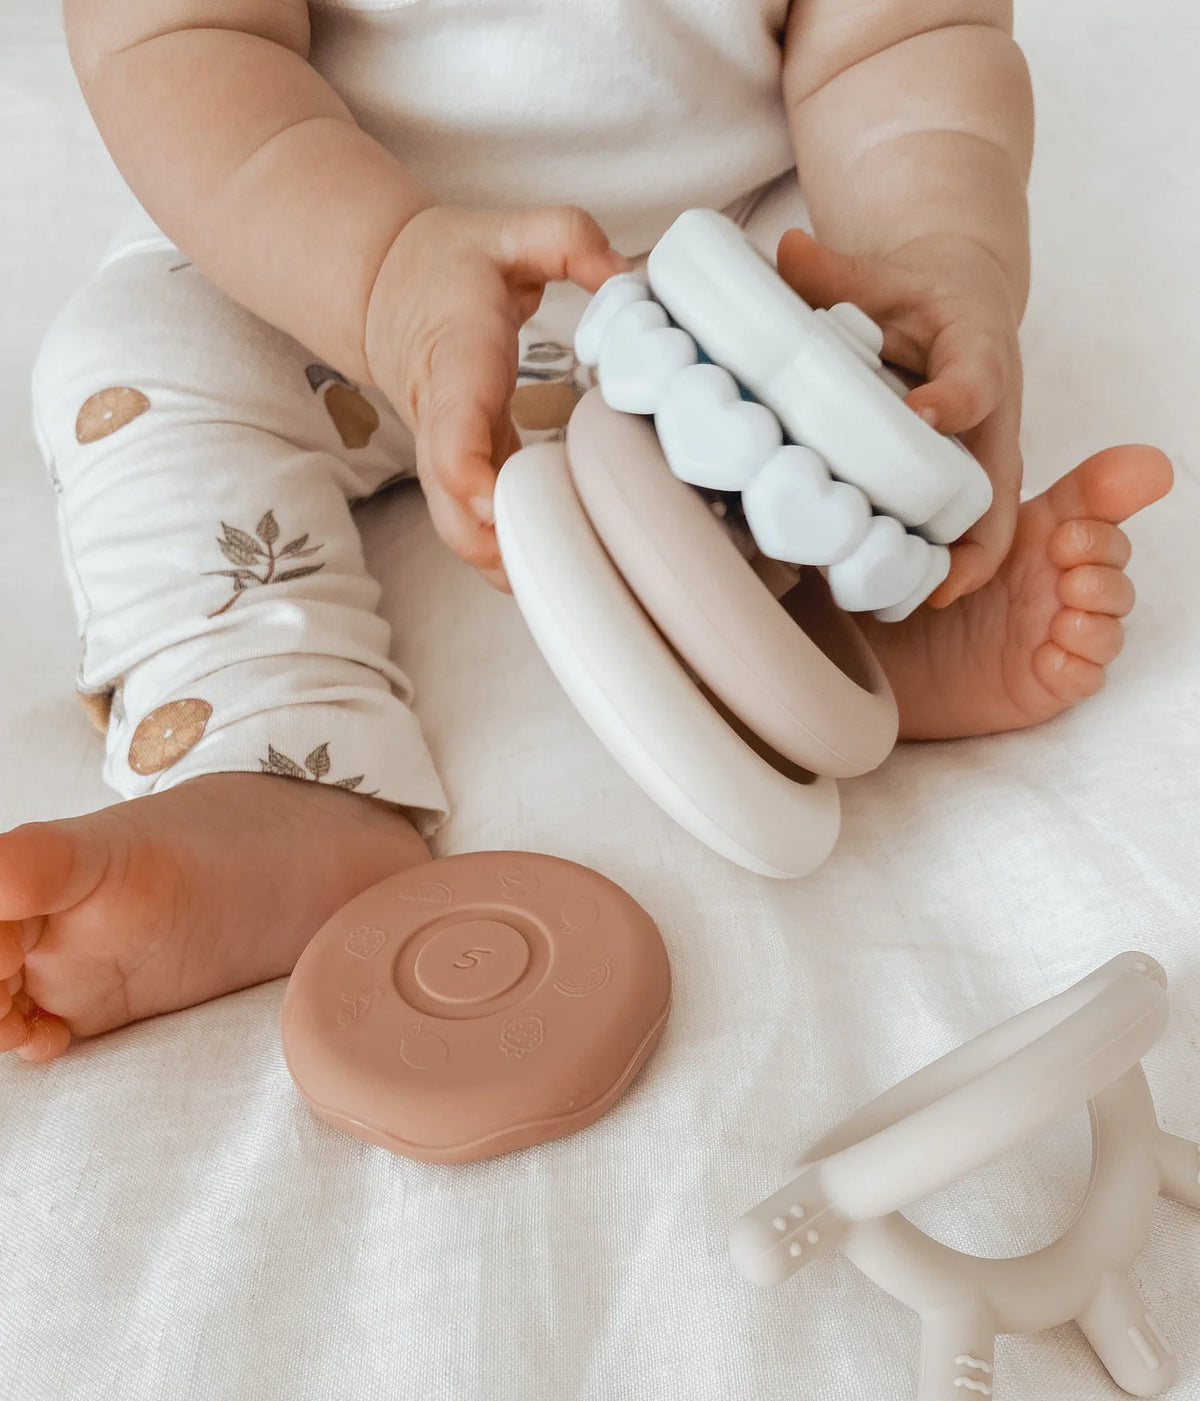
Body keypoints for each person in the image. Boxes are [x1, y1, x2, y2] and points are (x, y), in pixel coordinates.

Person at [0, 0, 1173, 1062]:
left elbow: (901, 42)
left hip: (704, 281)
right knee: (135, 360)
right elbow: (181, 44)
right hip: (326, 276)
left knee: (861, 318)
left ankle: (854, 618)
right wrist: (382, 278)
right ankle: (277, 769)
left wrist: (936, 253)